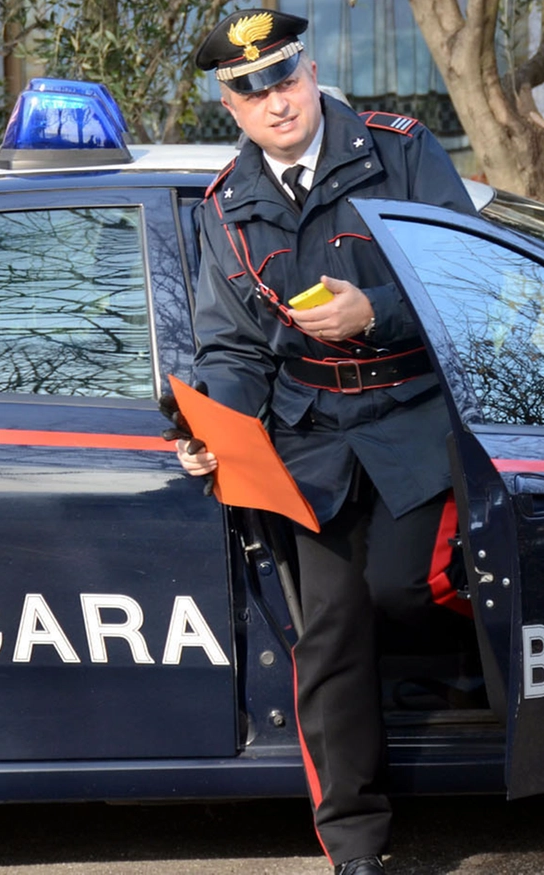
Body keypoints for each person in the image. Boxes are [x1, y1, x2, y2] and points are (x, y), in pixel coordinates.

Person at [174, 9, 477, 875]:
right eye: (250, 88)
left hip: (416, 420)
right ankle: (356, 846)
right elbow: (229, 349)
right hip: (312, 441)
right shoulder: (226, 207)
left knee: (405, 589)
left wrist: (374, 311)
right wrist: (212, 428)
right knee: (332, 634)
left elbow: (468, 281)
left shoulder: (402, 149)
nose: (274, 100)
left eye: (285, 76)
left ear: (311, 73)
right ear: (228, 105)